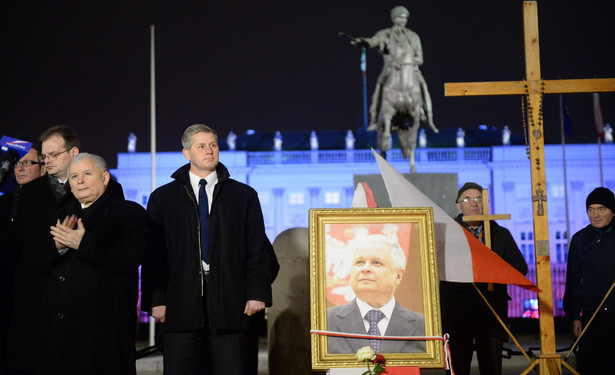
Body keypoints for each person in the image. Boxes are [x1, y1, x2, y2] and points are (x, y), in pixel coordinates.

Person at [141, 124, 278, 375]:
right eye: (201, 146)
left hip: (231, 305)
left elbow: (257, 248)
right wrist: (155, 299)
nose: (209, 151)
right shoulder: (163, 198)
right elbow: (153, 254)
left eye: (213, 145)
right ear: (186, 153)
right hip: (180, 304)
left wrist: (257, 293)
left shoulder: (243, 195)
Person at [34, 153, 147, 375]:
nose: (80, 181)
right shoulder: (61, 215)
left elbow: (130, 258)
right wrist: (55, 248)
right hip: (60, 335)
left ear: (105, 178)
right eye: (74, 176)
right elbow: (36, 265)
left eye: (87, 174)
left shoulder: (129, 213)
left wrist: (83, 244)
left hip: (102, 336)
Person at [5, 126, 81, 374]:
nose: (47, 161)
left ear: (73, 153)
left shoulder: (101, 186)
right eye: (45, 156)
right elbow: (22, 251)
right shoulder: (30, 194)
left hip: (78, 301)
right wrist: (55, 246)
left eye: (52, 155)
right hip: (36, 301)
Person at [439, 182, 527, 375]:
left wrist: (492, 268)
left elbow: (520, 268)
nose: (474, 204)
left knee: (491, 368)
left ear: (486, 204)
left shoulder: (500, 234)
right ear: (458, 206)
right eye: (467, 199)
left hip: (491, 315)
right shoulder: (446, 234)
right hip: (457, 315)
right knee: (457, 368)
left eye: (479, 199)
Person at [327, 234, 425, 354]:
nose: (365, 268)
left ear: (398, 276)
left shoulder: (424, 326)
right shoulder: (326, 321)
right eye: (359, 262)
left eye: (377, 263)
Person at [352, 6, 435, 131]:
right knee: (379, 86)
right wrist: (363, 41)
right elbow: (373, 41)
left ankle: (429, 118)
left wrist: (407, 62)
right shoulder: (385, 34)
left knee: (423, 86)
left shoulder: (413, 37)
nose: (403, 20)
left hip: (410, 70)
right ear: (394, 18)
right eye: (400, 17)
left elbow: (420, 58)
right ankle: (373, 119)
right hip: (390, 69)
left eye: (405, 17)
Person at [0, 146, 45, 374]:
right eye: (18, 163)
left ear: (43, 168)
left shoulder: (48, 201)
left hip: (34, 296)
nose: (20, 167)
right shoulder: (6, 200)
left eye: (28, 163)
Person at [563, 187, 615, 374]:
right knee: (589, 366)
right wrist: (575, 316)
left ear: (612, 211)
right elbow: (573, 280)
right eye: (591, 210)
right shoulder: (579, 240)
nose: (596, 215)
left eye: (601, 209)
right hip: (592, 316)